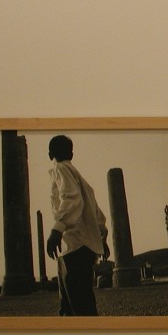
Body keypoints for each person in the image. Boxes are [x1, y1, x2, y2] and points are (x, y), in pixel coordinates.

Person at [46, 135, 110, 316]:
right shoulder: (82, 180)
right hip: (84, 247)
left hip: (74, 245)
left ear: (50, 154)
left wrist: (57, 230)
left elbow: (72, 199)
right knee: (78, 303)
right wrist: (101, 239)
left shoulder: (60, 168)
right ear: (71, 153)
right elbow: (96, 212)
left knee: (76, 307)